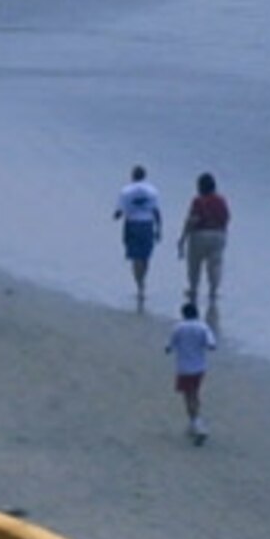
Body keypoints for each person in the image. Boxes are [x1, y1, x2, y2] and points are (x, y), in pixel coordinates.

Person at [178, 171, 230, 328]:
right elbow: (227, 218)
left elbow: (192, 220)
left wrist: (183, 238)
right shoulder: (221, 201)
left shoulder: (198, 201)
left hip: (200, 234)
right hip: (218, 235)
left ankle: (193, 290)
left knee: (194, 264)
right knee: (215, 265)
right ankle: (213, 292)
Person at [165, 299, 216, 444]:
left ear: (183, 314)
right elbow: (212, 345)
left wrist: (172, 348)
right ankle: (194, 422)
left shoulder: (179, 328)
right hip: (199, 368)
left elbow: (169, 347)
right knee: (195, 393)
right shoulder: (203, 327)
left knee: (188, 397)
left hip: (184, 368)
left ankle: (197, 424)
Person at [112, 165, 163, 308]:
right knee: (145, 256)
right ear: (144, 176)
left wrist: (116, 216)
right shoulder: (152, 191)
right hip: (147, 224)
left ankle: (140, 286)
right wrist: (159, 229)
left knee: (135, 257)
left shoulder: (126, 191)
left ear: (132, 175)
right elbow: (156, 211)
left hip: (132, 224)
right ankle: (143, 281)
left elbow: (119, 211)